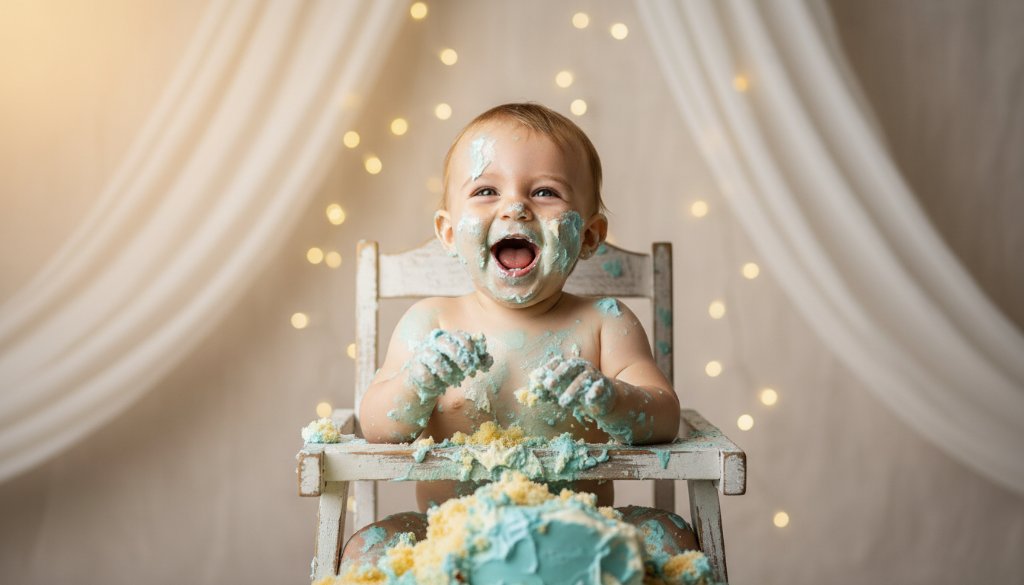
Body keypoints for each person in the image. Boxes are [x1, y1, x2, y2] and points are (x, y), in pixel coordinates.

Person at [343, 103, 698, 571]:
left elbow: (664, 416)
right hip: (449, 538)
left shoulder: (605, 322)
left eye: (545, 192)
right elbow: (377, 426)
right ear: (449, 233)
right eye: (486, 190)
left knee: (669, 536)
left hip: (582, 536)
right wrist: (417, 381)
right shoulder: (429, 323)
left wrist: (611, 398)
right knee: (366, 549)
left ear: (590, 236)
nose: (515, 207)